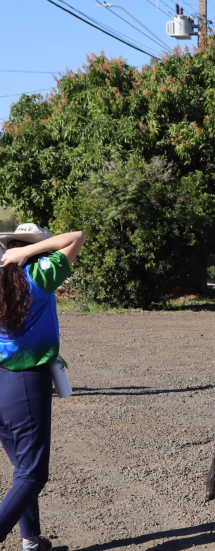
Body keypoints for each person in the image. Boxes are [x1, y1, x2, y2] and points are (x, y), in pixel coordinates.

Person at [0, 224, 85, 551]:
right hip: (25, 382)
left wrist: (17, 254)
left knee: (22, 470)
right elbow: (76, 238)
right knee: (33, 475)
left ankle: (31, 542)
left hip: (2, 382)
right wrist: (27, 253)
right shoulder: (37, 275)